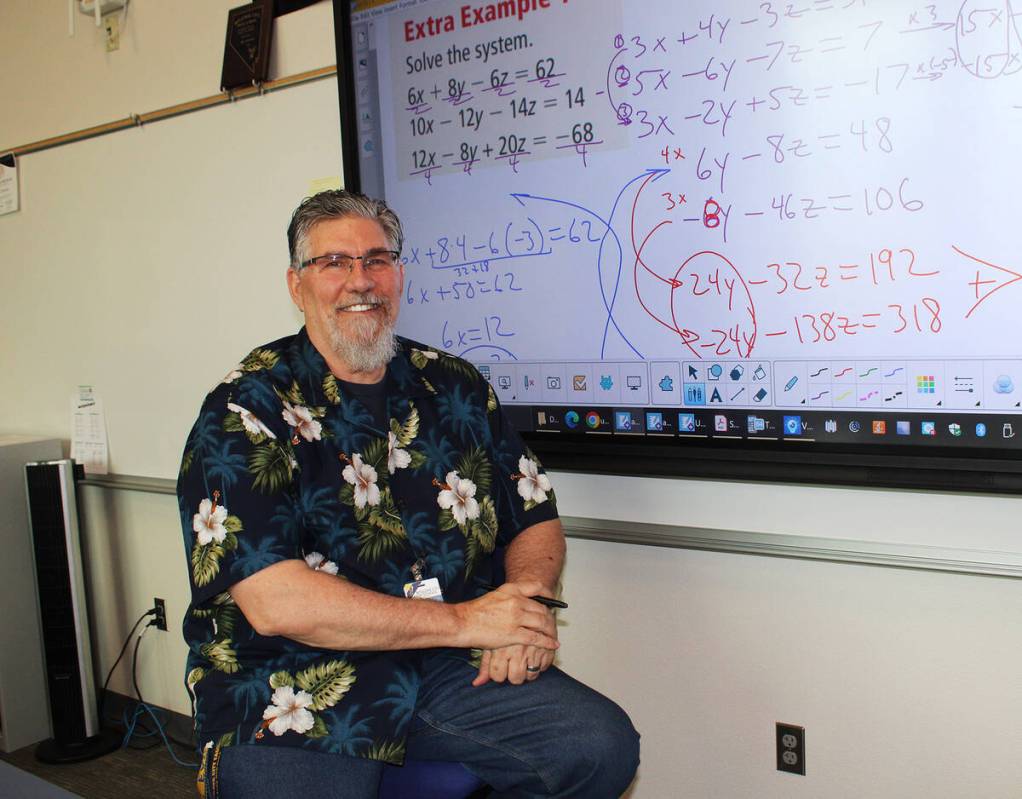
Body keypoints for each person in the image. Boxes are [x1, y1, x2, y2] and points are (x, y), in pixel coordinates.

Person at [177, 190, 639, 798]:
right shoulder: (246, 409)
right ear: (296, 285)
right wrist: (469, 621)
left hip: (446, 664)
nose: (360, 281)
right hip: (290, 680)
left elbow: (534, 513)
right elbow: (277, 603)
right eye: (334, 263)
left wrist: (522, 610)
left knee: (598, 746)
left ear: (399, 274)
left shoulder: (454, 385)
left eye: (377, 259)